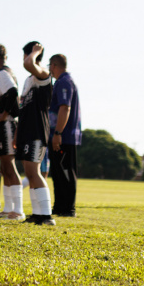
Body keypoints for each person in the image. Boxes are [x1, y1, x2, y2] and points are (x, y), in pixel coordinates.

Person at [16, 42, 55, 226]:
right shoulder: (27, 81)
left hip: (38, 130)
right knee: (29, 172)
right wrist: (17, 133)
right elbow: (22, 109)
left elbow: (29, 64)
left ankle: (46, 215)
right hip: (25, 131)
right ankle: (37, 214)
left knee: (34, 171)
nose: (24, 59)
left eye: (26, 55)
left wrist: (35, 52)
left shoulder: (43, 75)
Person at [0, 44, 23, 220]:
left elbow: (13, 92)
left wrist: (4, 114)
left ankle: (18, 209)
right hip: (4, 125)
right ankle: (8, 208)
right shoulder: (6, 72)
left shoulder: (2, 74)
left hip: (8, 125)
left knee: (9, 166)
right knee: (4, 167)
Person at [48, 53, 81, 217]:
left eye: (50, 66)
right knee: (57, 172)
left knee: (66, 172)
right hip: (60, 135)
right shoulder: (63, 81)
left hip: (64, 136)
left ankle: (68, 208)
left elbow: (65, 108)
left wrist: (58, 133)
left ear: (54, 65)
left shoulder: (63, 82)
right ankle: (59, 207)